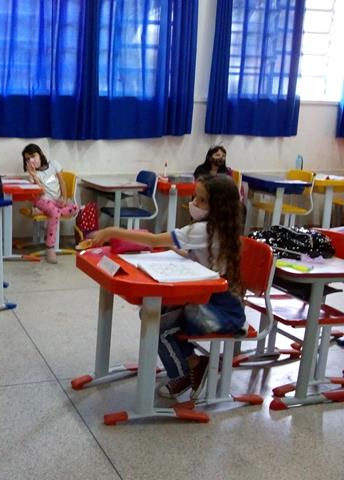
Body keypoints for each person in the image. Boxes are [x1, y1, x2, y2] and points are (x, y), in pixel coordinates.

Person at [92, 174, 245, 399]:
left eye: (202, 200)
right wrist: (176, 249)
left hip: (218, 310)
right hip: (211, 300)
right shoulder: (221, 227)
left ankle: (190, 368)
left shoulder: (204, 229)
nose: (195, 203)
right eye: (195, 197)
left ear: (218, 206)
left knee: (159, 325)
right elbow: (198, 256)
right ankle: (190, 365)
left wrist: (111, 231)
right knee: (153, 313)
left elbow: (154, 240)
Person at [22, 144, 79, 263]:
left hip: (57, 201)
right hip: (42, 200)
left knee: (75, 208)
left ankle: (39, 212)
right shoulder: (33, 176)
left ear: (40, 154)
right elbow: (41, 191)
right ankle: (50, 247)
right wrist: (34, 176)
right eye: (27, 159)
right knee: (54, 212)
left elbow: (62, 182)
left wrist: (64, 198)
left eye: (33, 156)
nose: (31, 160)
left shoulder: (54, 164)